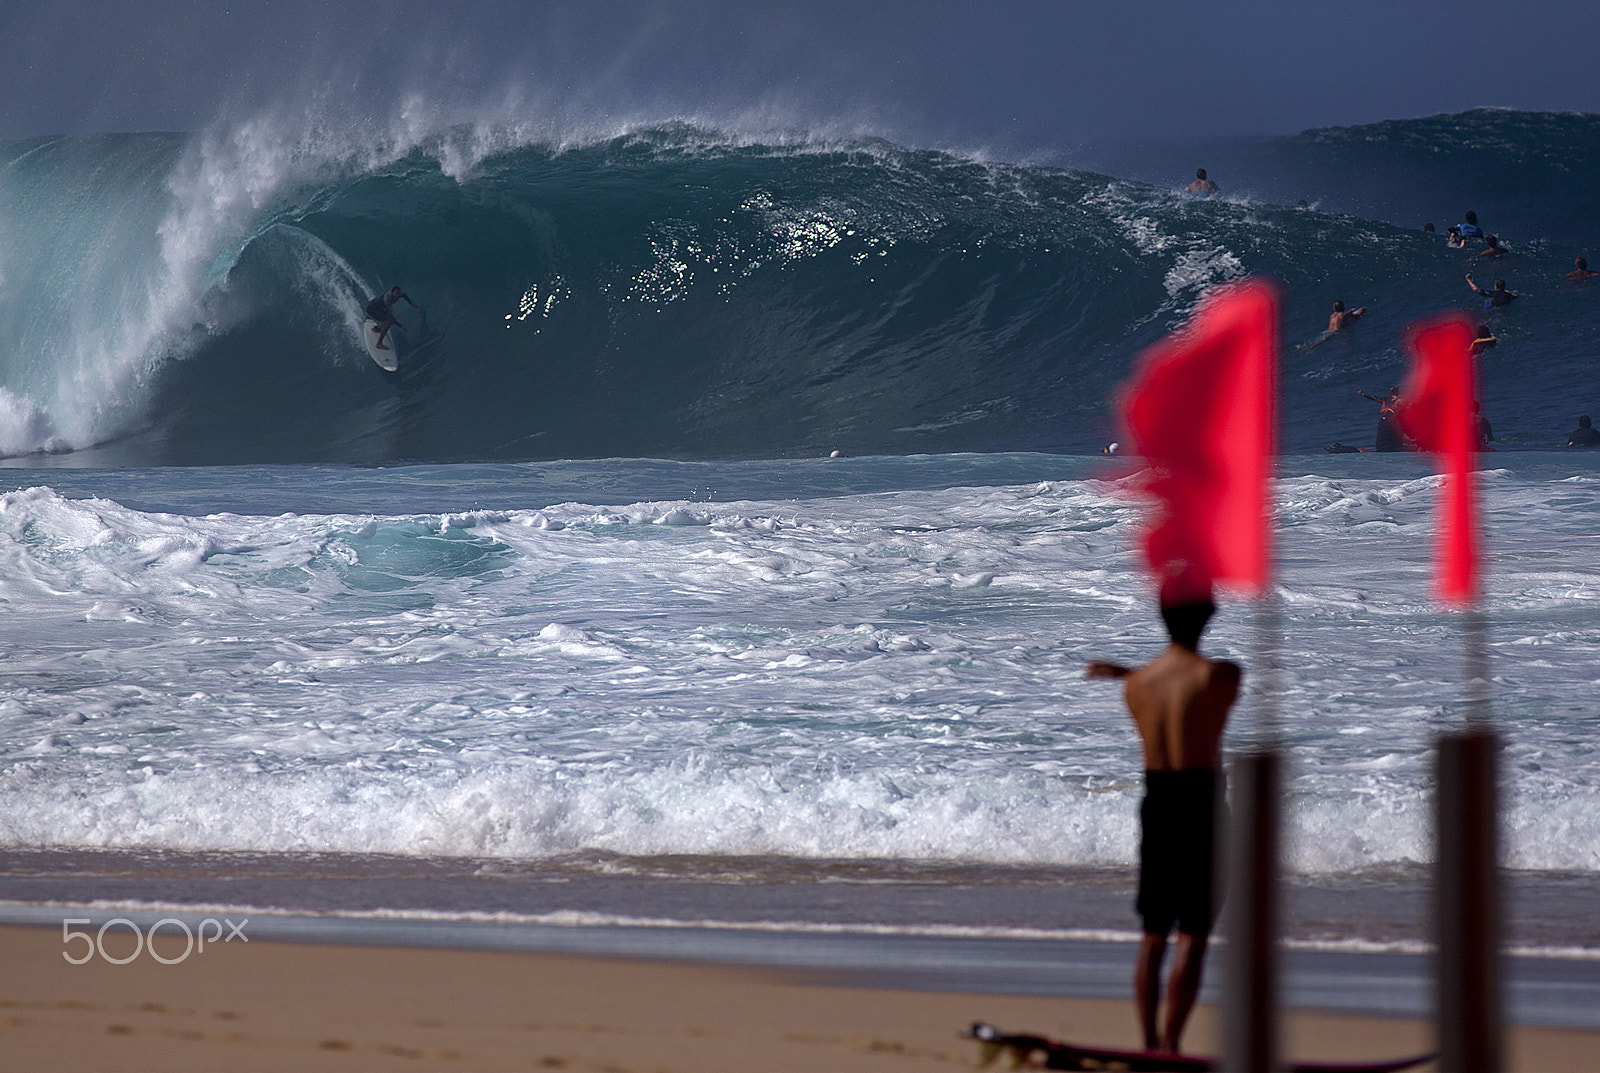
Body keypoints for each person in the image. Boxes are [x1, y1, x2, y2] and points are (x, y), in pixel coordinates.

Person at [1087, 592, 1238, 1054]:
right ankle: (1172, 1043)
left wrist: (1129, 671)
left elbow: (1166, 682)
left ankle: (1147, 1041)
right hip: (1202, 802)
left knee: (1153, 933)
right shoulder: (1220, 675)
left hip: (1157, 800)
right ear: (1209, 617)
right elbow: (1204, 683)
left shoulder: (1137, 686)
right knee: (1193, 931)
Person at [365, 285, 418, 351]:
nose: (397, 296)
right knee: (388, 322)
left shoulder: (398, 294)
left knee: (386, 319)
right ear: (392, 293)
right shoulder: (387, 300)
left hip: (378, 306)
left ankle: (377, 328)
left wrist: (410, 303)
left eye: (399, 294)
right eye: (396, 294)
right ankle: (379, 343)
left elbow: (404, 295)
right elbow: (390, 317)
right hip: (372, 309)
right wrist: (400, 326)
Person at [1358, 385, 1407, 452]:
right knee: (1397, 434)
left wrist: (1363, 394)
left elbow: (1374, 398)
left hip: (1385, 418)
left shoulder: (1386, 399)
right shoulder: (1400, 400)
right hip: (1396, 417)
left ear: (1390, 392)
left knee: (1386, 434)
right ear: (1397, 392)